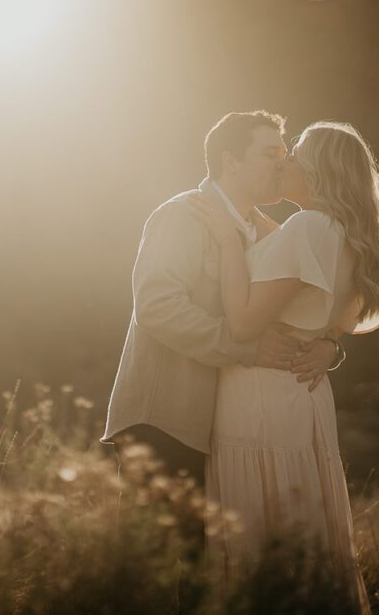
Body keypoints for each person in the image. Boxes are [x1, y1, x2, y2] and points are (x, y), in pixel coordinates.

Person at [189, 121, 379, 613]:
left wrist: (227, 241)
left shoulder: (308, 229)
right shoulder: (337, 230)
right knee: (305, 536)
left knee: (262, 540)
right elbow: (337, 321)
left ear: (318, 170)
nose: (284, 161)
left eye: (295, 154)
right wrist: (330, 344)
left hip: (264, 396)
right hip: (305, 396)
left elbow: (244, 322)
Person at [100, 111, 345, 490]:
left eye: (283, 153)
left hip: (228, 430)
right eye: (269, 153)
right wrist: (243, 346)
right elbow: (157, 308)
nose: (282, 161)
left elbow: (293, 309)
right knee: (164, 548)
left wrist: (330, 345)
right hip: (165, 421)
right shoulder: (182, 215)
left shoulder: (271, 232)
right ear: (230, 160)